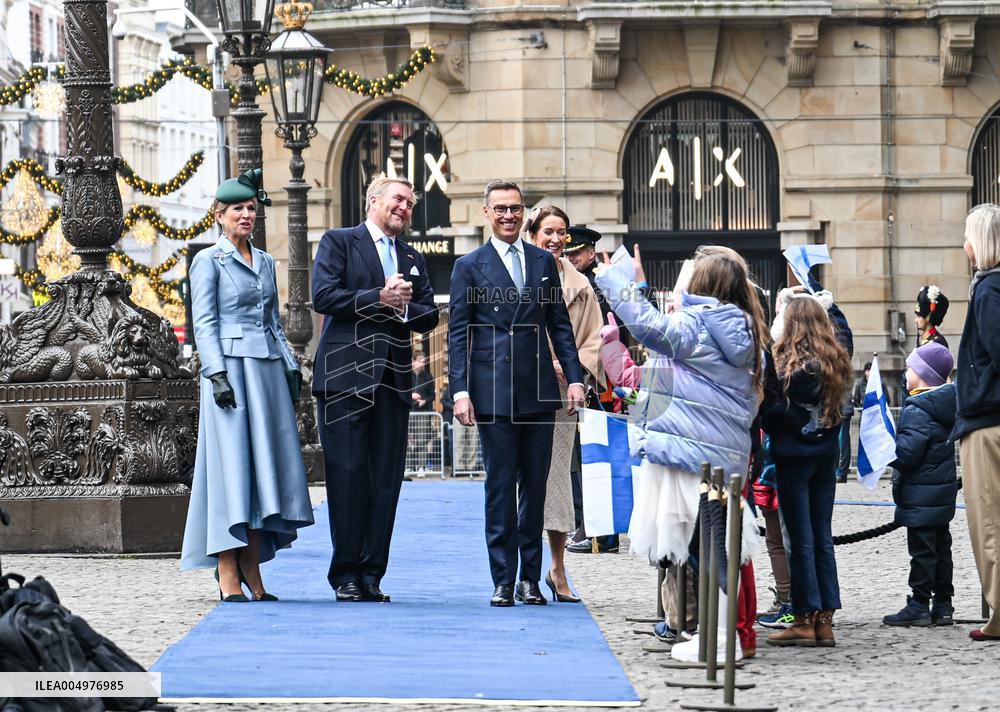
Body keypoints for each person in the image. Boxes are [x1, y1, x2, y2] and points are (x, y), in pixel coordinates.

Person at [596, 245, 768, 657]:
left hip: (695, 455)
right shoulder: (739, 326)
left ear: (702, 284)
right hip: (718, 452)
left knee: (704, 551)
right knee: (710, 549)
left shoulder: (700, 324)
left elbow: (650, 328)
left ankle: (721, 641)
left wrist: (615, 282)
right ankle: (719, 636)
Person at [448, 179, 585, 607]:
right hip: (492, 392)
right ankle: (503, 579)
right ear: (487, 213)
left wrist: (576, 378)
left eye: (515, 208)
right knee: (500, 488)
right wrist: (460, 391)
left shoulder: (543, 262)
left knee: (536, 488)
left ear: (524, 213)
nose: (509, 215)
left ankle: (530, 579)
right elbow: (458, 334)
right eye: (501, 208)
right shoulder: (469, 265)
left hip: (538, 391)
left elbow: (559, 325)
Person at [181, 169, 314, 601]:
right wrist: (215, 373)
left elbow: (273, 321)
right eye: (237, 208)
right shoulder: (209, 261)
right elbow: (204, 322)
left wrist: (290, 367)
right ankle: (226, 567)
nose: (246, 215)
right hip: (231, 374)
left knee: (263, 468)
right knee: (230, 469)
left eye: (252, 208)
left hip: (266, 372)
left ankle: (252, 566)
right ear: (218, 215)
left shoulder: (266, 261)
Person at [311, 176, 439, 603]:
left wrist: (402, 309)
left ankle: (372, 574)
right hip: (344, 378)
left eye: (410, 203)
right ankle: (346, 573)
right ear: (373, 201)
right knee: (347, 476)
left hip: (393, 382)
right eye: (398, 199)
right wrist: (379, 298)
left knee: (386, 479)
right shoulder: (339, 242)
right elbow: (324, 296)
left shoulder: (413, 256)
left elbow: (428, 315)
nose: (404, 207)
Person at [526, 205, 606, 602]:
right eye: (548, 232)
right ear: (533, 235)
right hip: (520, 385)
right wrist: (546, 359)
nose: (556, 239)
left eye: (562, 233)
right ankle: (521, 570)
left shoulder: (581, 286)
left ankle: (557, 569)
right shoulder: (516, 274)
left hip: (560, 395)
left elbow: (595, 339)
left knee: (557, 477)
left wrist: (575, 371)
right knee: (521, 479)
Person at [762, 295, 852, 647]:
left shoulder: (784, 369)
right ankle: (825, 620)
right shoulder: (834, 362)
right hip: (824, 458)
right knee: (821, 538)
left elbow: (771, 415)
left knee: (799, 540)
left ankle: (803, 618)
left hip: (792, 460)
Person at [883, 343, 957, 627]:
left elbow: (907, 455)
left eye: (910, 368)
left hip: (920, 495)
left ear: (924, 375)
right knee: (942, 550)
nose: (906, 373)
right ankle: (943, 605)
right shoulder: (946, 403)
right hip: (940, 495)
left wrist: (886, 449)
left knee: (922, 553)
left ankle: (919, 604)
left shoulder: (918, 408)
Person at [954, 203, 1000, 642]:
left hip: (987, 422)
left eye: (968, 236)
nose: (964, 245)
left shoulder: (988, 290)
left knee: (988, 522)